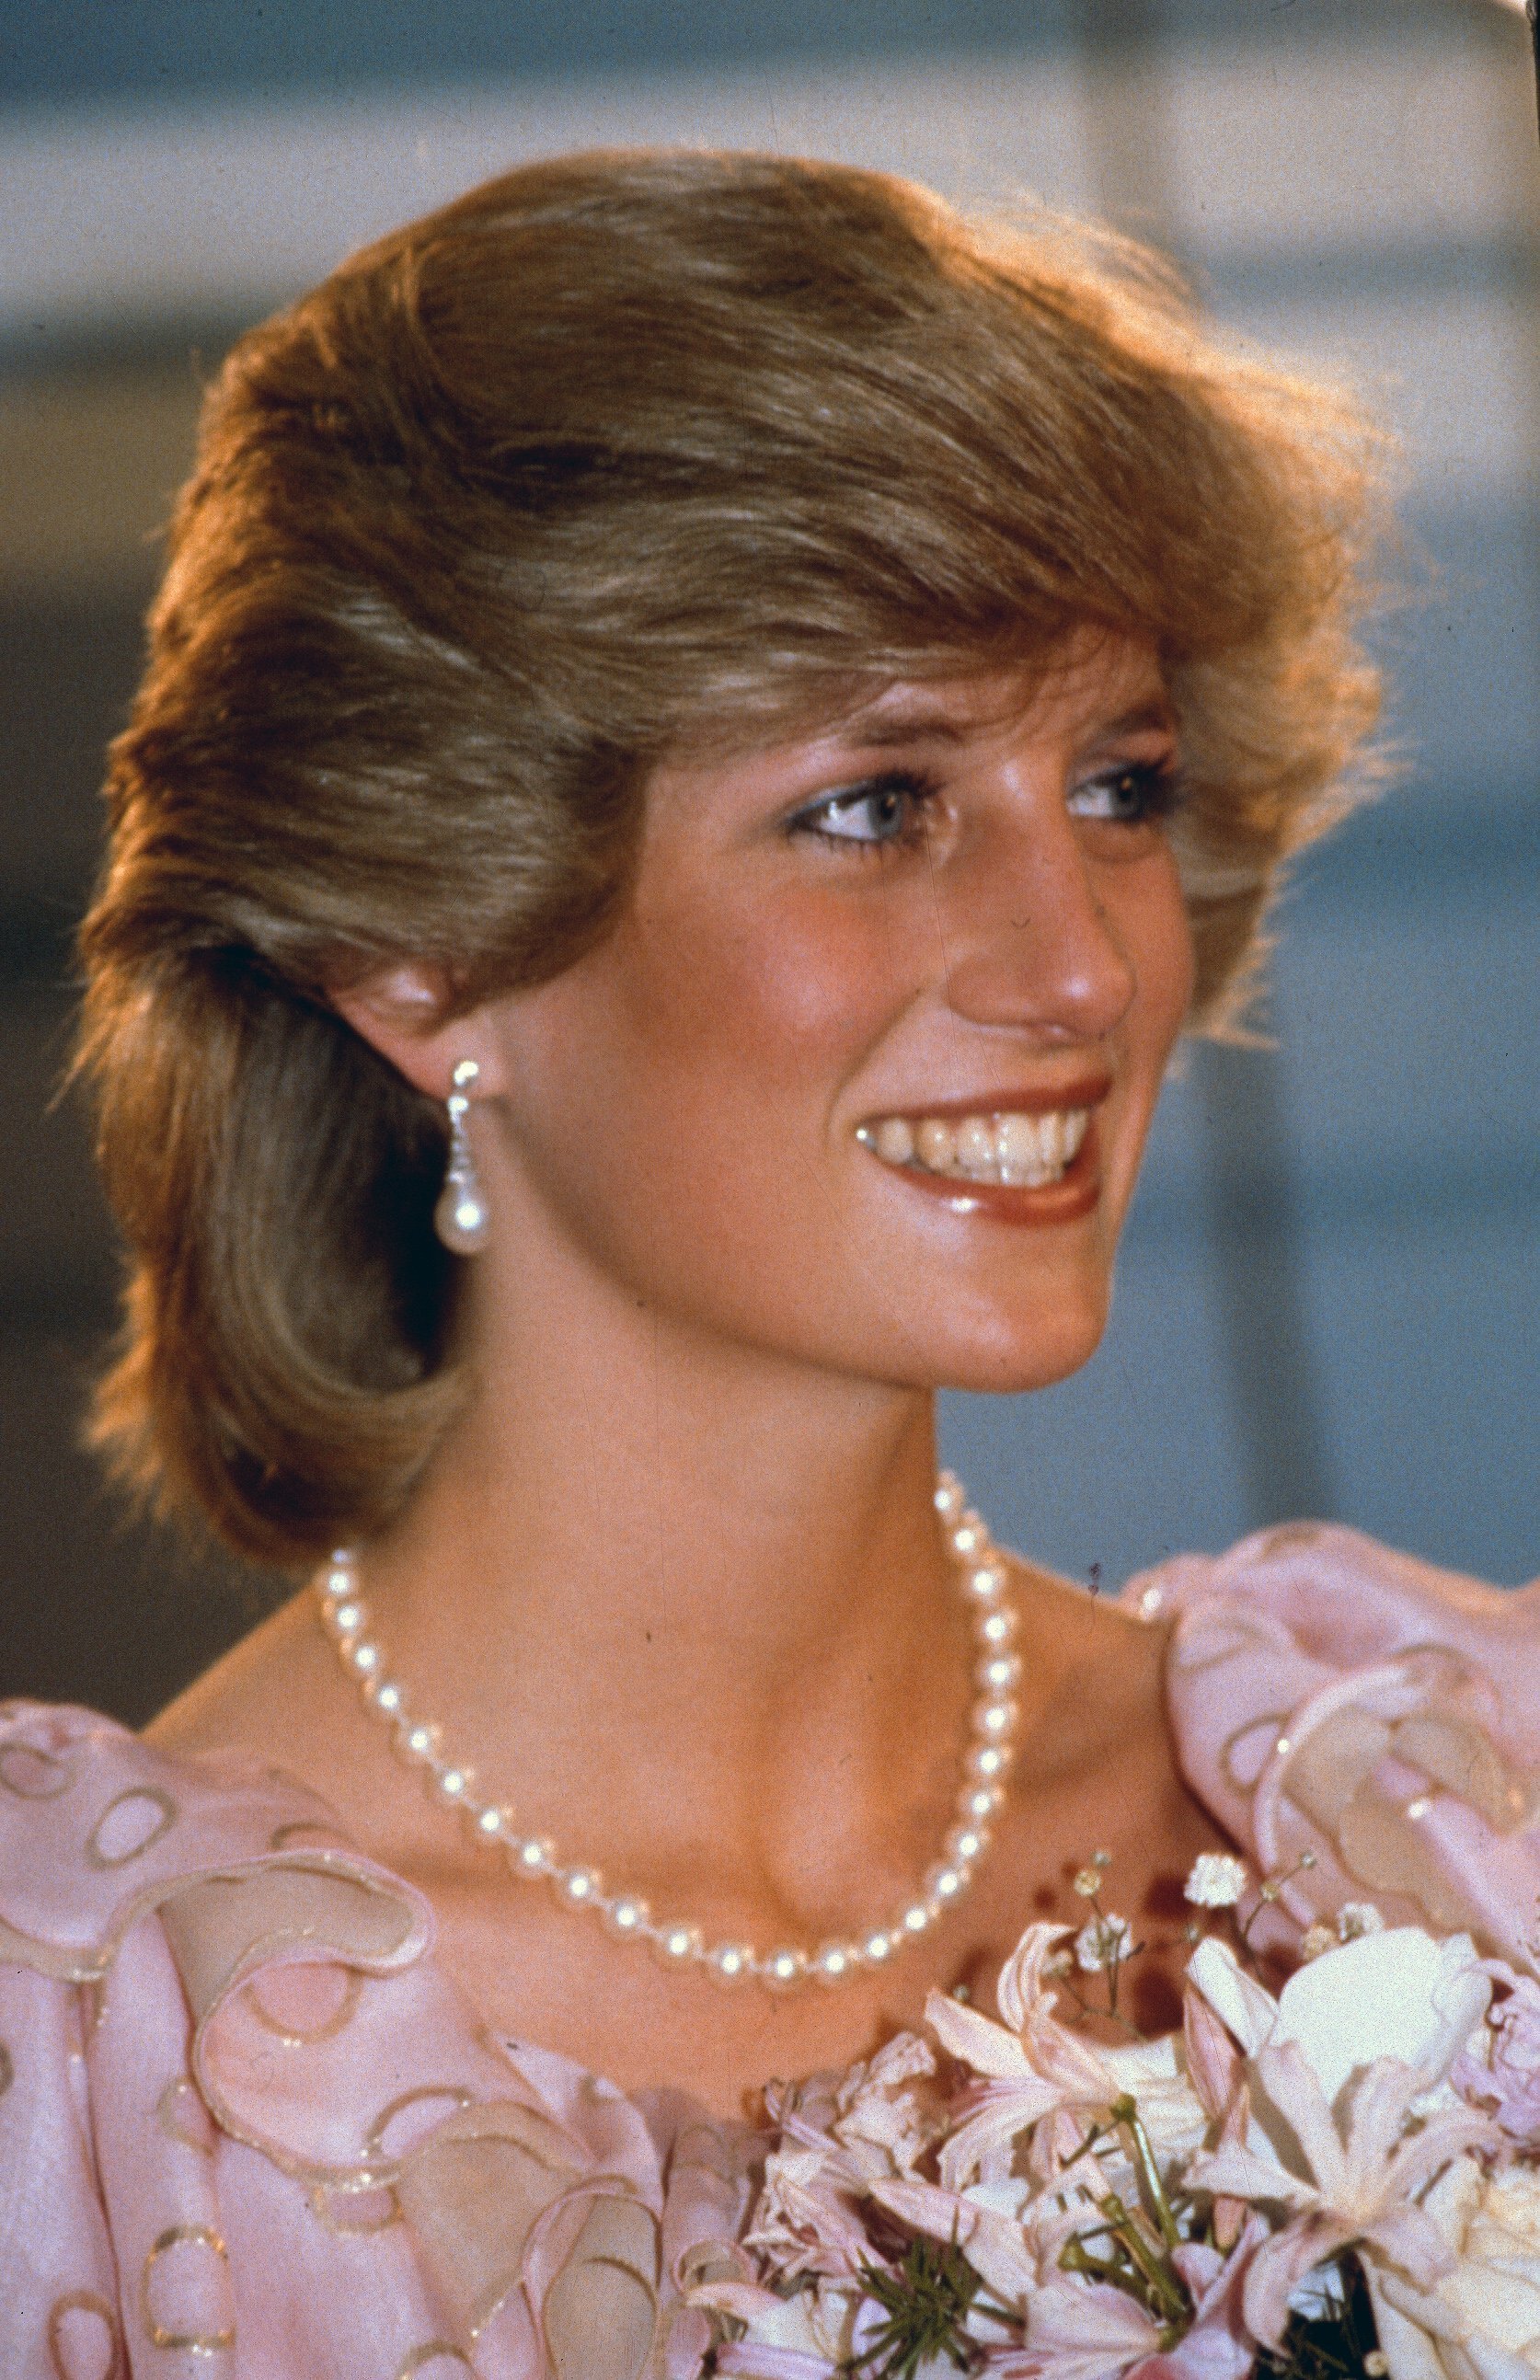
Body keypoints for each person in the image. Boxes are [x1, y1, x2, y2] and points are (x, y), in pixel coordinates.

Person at [3, 151, 1535, 2378]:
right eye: (877, 802)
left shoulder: (1452, 1808)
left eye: (1115, 783)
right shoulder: (97, 2085)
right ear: (413, 943)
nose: (1082, 964)